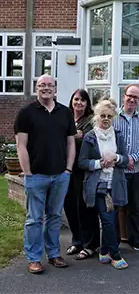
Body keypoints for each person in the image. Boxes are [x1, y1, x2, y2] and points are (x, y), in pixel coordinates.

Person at [14, 74, 76, 273]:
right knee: (34, 219)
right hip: (36, 175)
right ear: (36, 88)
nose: (46, 88)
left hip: (60, 175)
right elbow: (20, 146)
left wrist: (68, 170)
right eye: (42, 85)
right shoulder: (26, 113)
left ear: (55, 88)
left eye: (50, 85)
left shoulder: (65, 113)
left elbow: (70, 143)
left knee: (55, 217)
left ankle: (54, 254)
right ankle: (33, 258)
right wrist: (28, 173)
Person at [78, 98, 129, 270]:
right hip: (99, 185)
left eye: (109, 116)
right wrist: (100, 163)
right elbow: (82, 162)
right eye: (102, 116)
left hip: (115, 184)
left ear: (113, 117)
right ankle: (115, 255)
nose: (105, 119)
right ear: (96, 117)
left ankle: (104, 250)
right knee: (107, 221)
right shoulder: (90, 137)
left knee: (112, 220)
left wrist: (116, 158)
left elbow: (126, 159)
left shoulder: (118, 135)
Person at [113, 84, 139, 251]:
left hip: (136, 171)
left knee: (134, 207)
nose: (132, 99)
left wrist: (133, 158)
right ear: (124, 96)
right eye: (130, 95)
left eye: (136, 97)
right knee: (115, 206)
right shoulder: (112, 118)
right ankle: (113, 240)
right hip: (116, 170)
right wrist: (123, 159)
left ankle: (134, 239)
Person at [65, 89, 101, 261]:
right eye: (76, 99)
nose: (79, 102)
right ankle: (77, 240)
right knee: (70, 206)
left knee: (85, 206)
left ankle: (91, 244)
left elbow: (94, 138)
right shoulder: (66, 117)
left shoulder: (91, 120)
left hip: (84, 170)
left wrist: (80, 135)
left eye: (83, 100)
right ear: (72, 101)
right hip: (66, 168)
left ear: (87, 104)